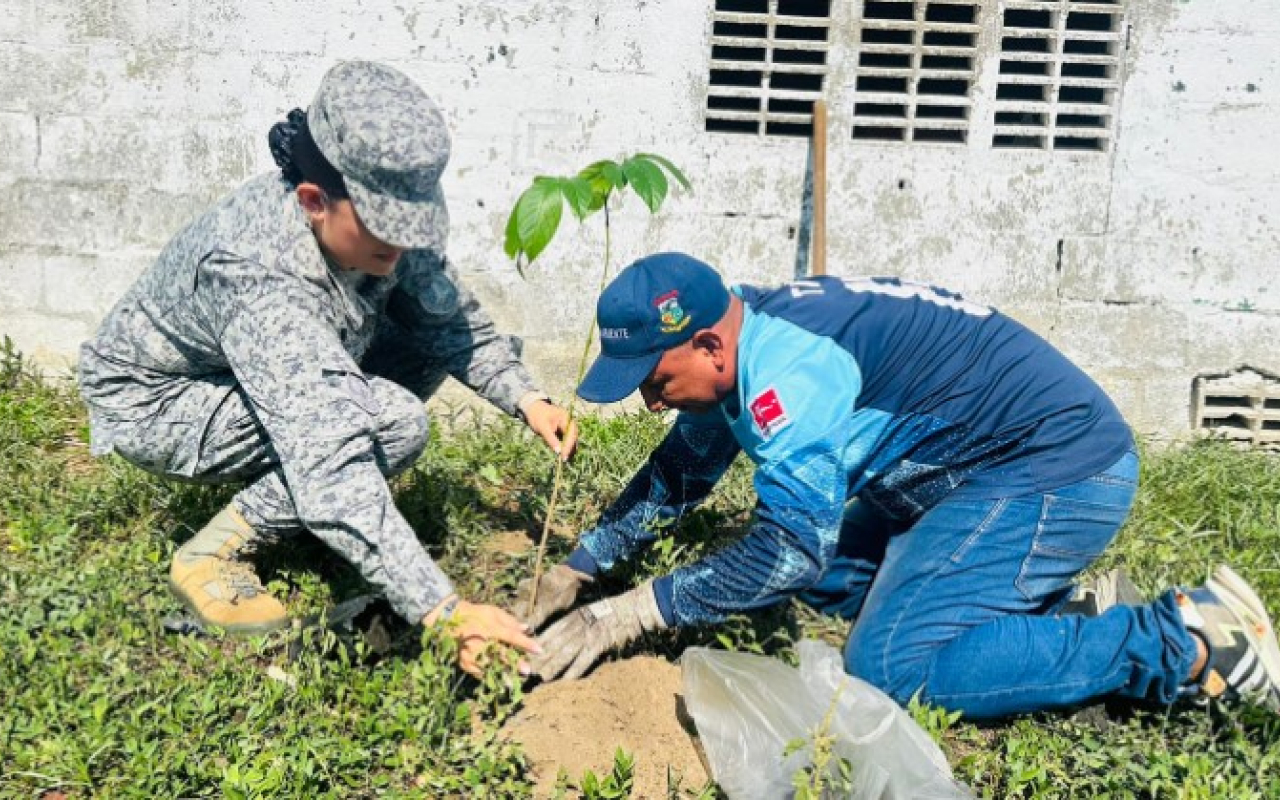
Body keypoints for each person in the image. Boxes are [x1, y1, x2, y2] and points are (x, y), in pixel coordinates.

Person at [520, 251, 1280, 719]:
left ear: (709, 343)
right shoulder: (748, 339)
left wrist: (623, 616)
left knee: (891, 665)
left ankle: (1186, 644)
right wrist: (579, 565)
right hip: (973, 471)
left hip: (1056, 469)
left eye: (654, 381)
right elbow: (683, 470)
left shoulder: (790, 379)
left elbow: (790, 550)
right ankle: (1041, 612)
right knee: (817, 588)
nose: (650, 403)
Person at [79, 61, 575, 676]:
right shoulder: (257, 275)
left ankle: (327, 521)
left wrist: (525, 397)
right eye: (383, 239)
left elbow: (442, 312)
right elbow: (330, 455)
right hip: (160, 401)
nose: (397, 254)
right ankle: (212, 557)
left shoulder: (367, 224)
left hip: (245, 371)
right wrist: (441, 609)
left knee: (411, 339)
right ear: (314, 202)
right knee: (389, 422)